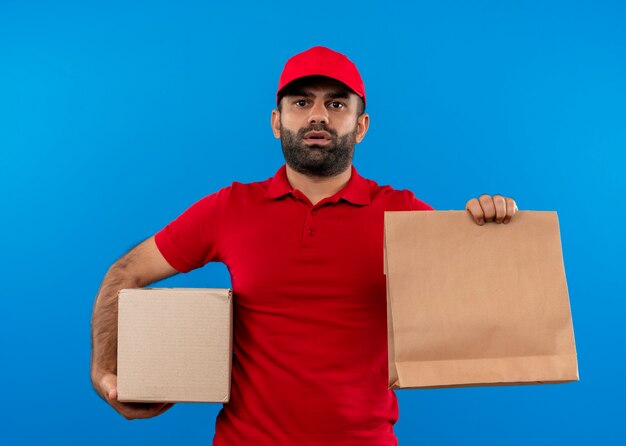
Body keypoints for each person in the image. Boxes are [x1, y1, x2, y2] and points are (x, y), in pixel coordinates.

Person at [91, 46, 518, 445]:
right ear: (276, 121)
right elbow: (126, 273)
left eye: (336, 104)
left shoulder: (403, 213)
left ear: (361, 125)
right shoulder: (229, 208)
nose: (318, 116)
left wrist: (492, 227)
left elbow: (488, 296)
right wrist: (104, 371)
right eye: (300, 102)